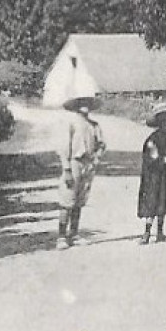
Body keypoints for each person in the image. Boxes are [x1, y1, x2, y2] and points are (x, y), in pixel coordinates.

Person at [56, 96, 107, 250]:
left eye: (88, 104)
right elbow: (64, 147)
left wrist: (96, 157)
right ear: (76, 106)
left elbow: (102, 144)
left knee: (80, 198)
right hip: (74, 162)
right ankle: (61, 236)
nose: (85, 107)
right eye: (82, 104)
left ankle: (74, 234)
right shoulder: (71, 124)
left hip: (88, 164)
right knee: (68, 198)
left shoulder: (94, 125)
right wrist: (66, 169)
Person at [137, 100, 166, 245]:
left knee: (164, 202)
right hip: (154, 176)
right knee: (152, 203)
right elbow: (150, 159)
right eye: (163, 120)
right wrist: (163, 160)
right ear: (159, 122)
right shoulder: (152, 140)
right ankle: (147, 232)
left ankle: (160, 232)